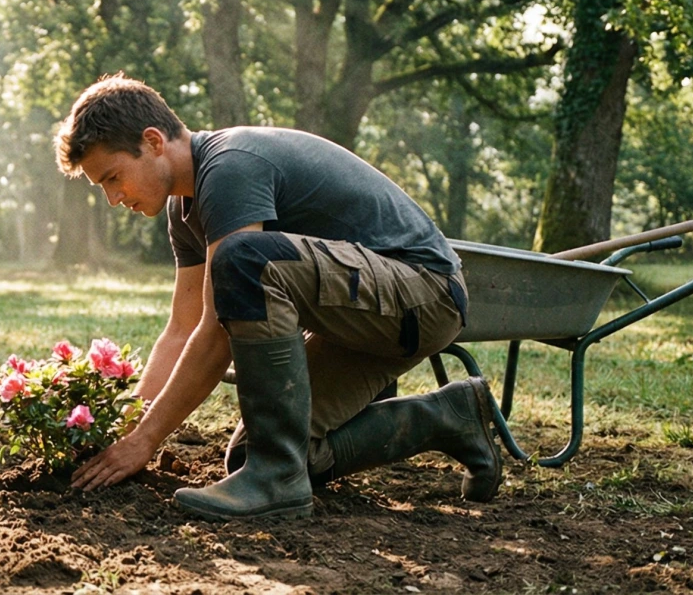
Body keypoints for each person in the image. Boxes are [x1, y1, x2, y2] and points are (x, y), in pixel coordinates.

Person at [56, 75, 502, 520]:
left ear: (153, 141)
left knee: (244, 260)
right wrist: (127, 429)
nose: (114, 197)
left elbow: (216, 332)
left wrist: (146, 442)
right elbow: (181, 329)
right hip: (360, 314)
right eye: (103, 187)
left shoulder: (229, 168)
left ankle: (276, 482)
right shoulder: (184, 207)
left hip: (423, 294)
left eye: (114, 178)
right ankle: (450, 416)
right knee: (258, 455)